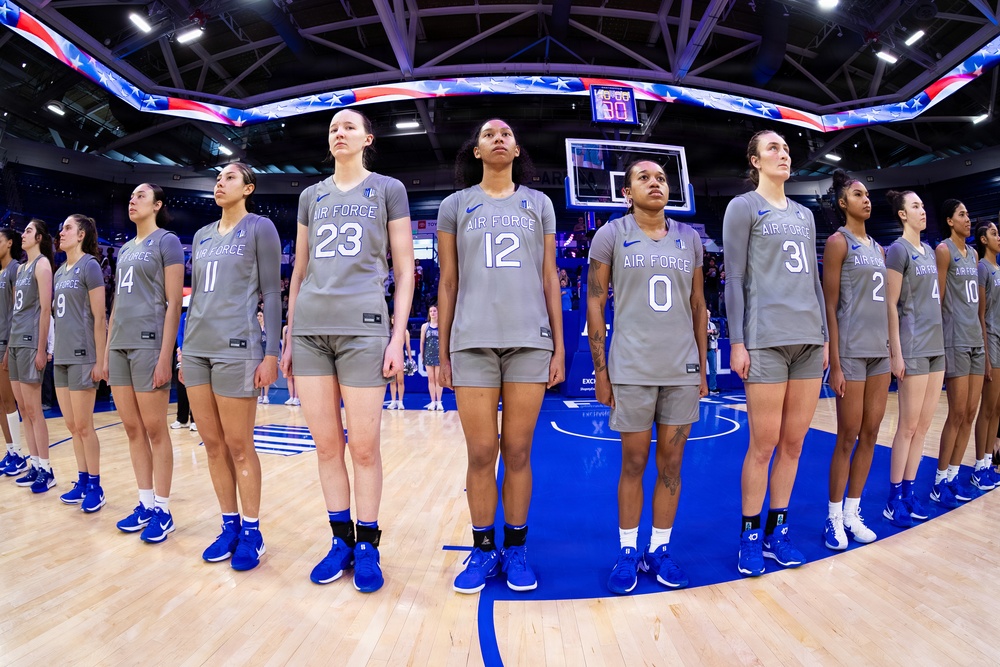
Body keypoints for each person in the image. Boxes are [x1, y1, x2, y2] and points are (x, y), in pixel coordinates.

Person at [282, 108, 414, 593]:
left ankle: (369, 544)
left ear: (367, 139)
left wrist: (398, 335)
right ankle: (340, 539)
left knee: (363, 447)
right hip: (312, 329)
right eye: (334, 127)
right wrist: (288, 333)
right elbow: (299, 269)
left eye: (349, 127)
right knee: (326, 446)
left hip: (363, 328)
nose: (339, 132)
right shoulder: (310, 195)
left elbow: (405, 269)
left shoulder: (387, 189)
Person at [439, 118, 565, 594]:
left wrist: (557, 345)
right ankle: (481, 548)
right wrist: (442, 349)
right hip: (471, 341)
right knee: (480, 452)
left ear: (516, 150)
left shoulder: (540, 204)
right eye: (489, 134)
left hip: (529, 342)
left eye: (507, 134)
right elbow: (448, 281)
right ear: (476, 151)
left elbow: (550, 277)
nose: (498, 138)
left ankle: (516, 548)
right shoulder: (456, 205)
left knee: (517, 451)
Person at [587, 160, 707, 594]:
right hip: (632, 368)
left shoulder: (689, 238)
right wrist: (601, 372)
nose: (655, 183)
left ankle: (659, 548)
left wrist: (703, 368)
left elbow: (698, 305)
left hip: (680, 368)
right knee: (634, 462)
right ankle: (626, 551)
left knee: (672, 464)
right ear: (627, 192)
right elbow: (596, 304)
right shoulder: (611, 235)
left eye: (660, 178)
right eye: (644, 178)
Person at [722, 130, 828, 577]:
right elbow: (733, 278)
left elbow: (816, 282)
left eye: (785, 149)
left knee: (794, 443)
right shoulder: (743, 207)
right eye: (773, 149)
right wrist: (738, 341)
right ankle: (749, 536)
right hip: (765, 339)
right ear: (755, 161)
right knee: (763, 445)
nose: (782, 154)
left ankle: (776, 530)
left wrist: (824, 336)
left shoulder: (805, 215)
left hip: (809, 340)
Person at [183, 162, 281, 572]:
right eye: (218, 178)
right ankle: (229, 525)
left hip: (237, 346)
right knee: (213, 444)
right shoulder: (202, 235)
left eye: (230, 178)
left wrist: (271, 352)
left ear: (248, 188)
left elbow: (272, 293)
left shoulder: (260, 228)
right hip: (196, 347)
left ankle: (253, 532)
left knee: (240, 445)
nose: (220, 182)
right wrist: (183, 347)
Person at [105, 183, 184, 543]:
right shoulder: (123, 249)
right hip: (120, 343)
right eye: (131, 197)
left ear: (157, 205)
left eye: (140, 196)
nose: (132, 201)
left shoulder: (166, 241)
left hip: (150, 345)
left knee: (155, 430)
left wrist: (166, 354)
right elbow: (117, 305)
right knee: (133, 429)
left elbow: (173, 303)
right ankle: (145, 502)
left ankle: (163, 510)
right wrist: (107, 350)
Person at [821, 171, 889, 550]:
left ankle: (852, 511)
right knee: (847, 436)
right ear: (843, 203)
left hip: (879, 352)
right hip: (850, 351)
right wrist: (835, 361)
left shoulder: (879, 249)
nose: (866, 199)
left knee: (872, 433)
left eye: (867, 194)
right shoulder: (837, 242)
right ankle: (832, 518)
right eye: (857, 194)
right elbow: (830, 305)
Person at [883, 189, 944, 527]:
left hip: (937, 348)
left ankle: (909, 492)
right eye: (915, 206)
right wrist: (896, 352)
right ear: (903, 214)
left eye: (923, 205)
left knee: (922, 426)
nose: (922, 210)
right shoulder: (898, 250)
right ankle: (893, 499)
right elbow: (890, 305)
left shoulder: (932, 252)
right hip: (913, 346)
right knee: (906, 426)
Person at [931, 200, 985, 506]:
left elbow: (977, 302)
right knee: (957, 412)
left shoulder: (974, 253)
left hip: (976, 339)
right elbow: (937, 298)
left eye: (967, 213)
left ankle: (952, 475)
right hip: (955, 339)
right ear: (950, 221)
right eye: (962, 215)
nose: (968, 219)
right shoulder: (943, 250)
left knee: (970, 413)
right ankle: (939, 480)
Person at [52, 215, 108, 512]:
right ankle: (83, 480)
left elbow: (100, 317)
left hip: (83, 355)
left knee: (85, 426)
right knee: (73, 425)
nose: (61, 233)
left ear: (81, 234)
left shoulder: (90, 266)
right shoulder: (60, 271)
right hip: (61, 355)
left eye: (67, 228)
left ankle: (96, 486)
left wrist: (101, 359)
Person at [7, 219, 55, 492]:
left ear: (38, 237)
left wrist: (42, 348)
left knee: (34, 410)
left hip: (30, 343)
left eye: (27, 231)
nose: (23, 234)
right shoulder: (22, 267)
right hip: (15, 343)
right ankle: (35, 463)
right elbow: (17, 311)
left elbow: (46, 310)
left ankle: (46, 470)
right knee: (24, 410)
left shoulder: (43, 265)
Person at [973, 222, 1000, 490]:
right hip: (991, 339)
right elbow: (980, 313)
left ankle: (990, 463)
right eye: (993, 233)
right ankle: (979, 464)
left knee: (999, 409)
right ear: (983, 240)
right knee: (988, 407)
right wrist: (987, 357)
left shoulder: (999, 269)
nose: (998, 237)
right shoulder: (982, 268)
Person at [0, 228, 24, 476]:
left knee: (9, 401)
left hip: (5, 342)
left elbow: (18, 311)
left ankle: (18, 452)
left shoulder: (15, 269)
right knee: (0, 402)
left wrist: (10, 346)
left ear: (9, 243)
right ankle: (10, 449)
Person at [420, 304, 443, 411]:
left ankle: (439, 402)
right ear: (429, 314)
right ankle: (432, 402)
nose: (433, 313)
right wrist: (422, 355)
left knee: (438, 379)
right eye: (431, 311)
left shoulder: (442, 325)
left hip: (439, 355)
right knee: (431, 379)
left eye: (434, 311)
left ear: (438, 312)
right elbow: (422, 342)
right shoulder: (425, 326)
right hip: (428, 354)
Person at [385, 314, 411, 409]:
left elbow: (408, 346)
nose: (394, 320)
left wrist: (410, 358)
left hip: (400, 356)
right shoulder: (388, 332)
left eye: (396, 318)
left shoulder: (405, 332)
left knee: (400, 380)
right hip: (390, 357)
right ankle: (393, 401)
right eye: (392, 318)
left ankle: (400, 401)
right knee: (392, 381)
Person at [281, 324, 299, 406]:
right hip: (287, 353)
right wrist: (282, 355)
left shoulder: (298, 326)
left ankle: (296, 398)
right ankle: (291, 397)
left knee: (296, 378)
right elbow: (284, 343)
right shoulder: (285, 328)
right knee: (289, 377)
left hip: (296, 353)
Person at [256, 311, 271, 405]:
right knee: (257, 375)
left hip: (265, 354)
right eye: (257, 315)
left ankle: (265, 396)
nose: (259, 317)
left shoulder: (267, 329)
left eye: (261, 315)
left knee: (265, 374)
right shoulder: (254, 329)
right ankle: (259, 396)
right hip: (257, 353)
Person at [707, 309, 719, 393]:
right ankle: (700, 387)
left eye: (709, 313)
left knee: (713, 369)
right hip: (703, 348)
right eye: (707, 313)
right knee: (700, 369)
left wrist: (716, 346)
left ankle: (712, 387)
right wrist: (710, 331)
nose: (708, 314)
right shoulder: (699, 324)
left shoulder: (712, 324)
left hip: (712, 347)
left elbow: (716, 335)